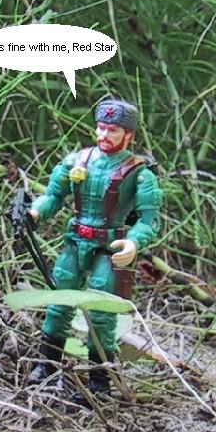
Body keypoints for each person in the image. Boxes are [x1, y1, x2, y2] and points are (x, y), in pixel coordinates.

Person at [27, 99, 163, 402]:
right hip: (76, 240)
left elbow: (149, 220)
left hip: (110, 246)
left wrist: (134, 242)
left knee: (101, 312)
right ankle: (46, 365)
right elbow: (53, 196)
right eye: (101, 128)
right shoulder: (77, 160)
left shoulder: (140, 173)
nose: (104, 135)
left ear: (128, 135)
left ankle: (99, 381)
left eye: (113, 130)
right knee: (59, 303)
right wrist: (35, 212)